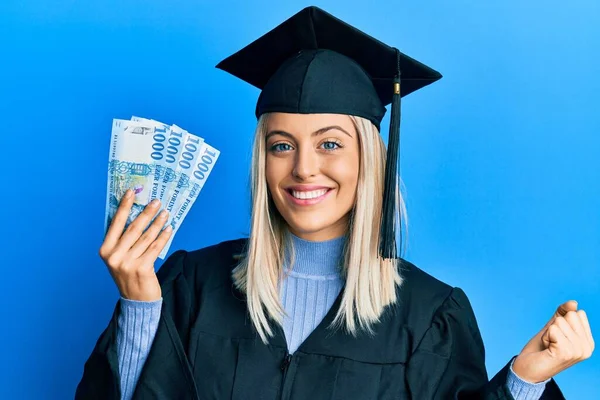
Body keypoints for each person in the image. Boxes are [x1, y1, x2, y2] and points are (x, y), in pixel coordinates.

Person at [75, 6, 594, 400]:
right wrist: (141, 306)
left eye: (330, 144)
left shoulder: (429, 313)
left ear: (369, 160)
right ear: (262, 161)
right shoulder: (191, 286)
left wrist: (525, 378)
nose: (303, 168)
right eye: (282, 145)